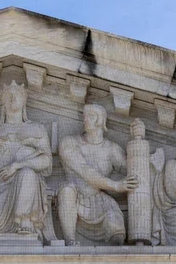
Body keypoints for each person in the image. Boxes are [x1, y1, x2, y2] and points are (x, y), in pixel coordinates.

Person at [0, 81, 52, 242]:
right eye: (8, 95)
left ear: (24, 100)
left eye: (18, 94)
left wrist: (17, 165)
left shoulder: (37, 129)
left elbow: (46, 160)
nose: (13, 98)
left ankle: (25, 218)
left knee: (27, 173)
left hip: (28, 186)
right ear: (2, 100)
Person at [56, 104, 136, 245]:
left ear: (101, 121)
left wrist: (139, 140)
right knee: (67, 190)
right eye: (85, 116)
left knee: (117, 234)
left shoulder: (111, 149)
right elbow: (85, 171)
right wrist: (117, 186)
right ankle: (70, 242)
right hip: (74, 199)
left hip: (99, 201)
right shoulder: (69, 143)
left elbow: (131, 169)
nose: (85, 119)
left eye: (90, 116)